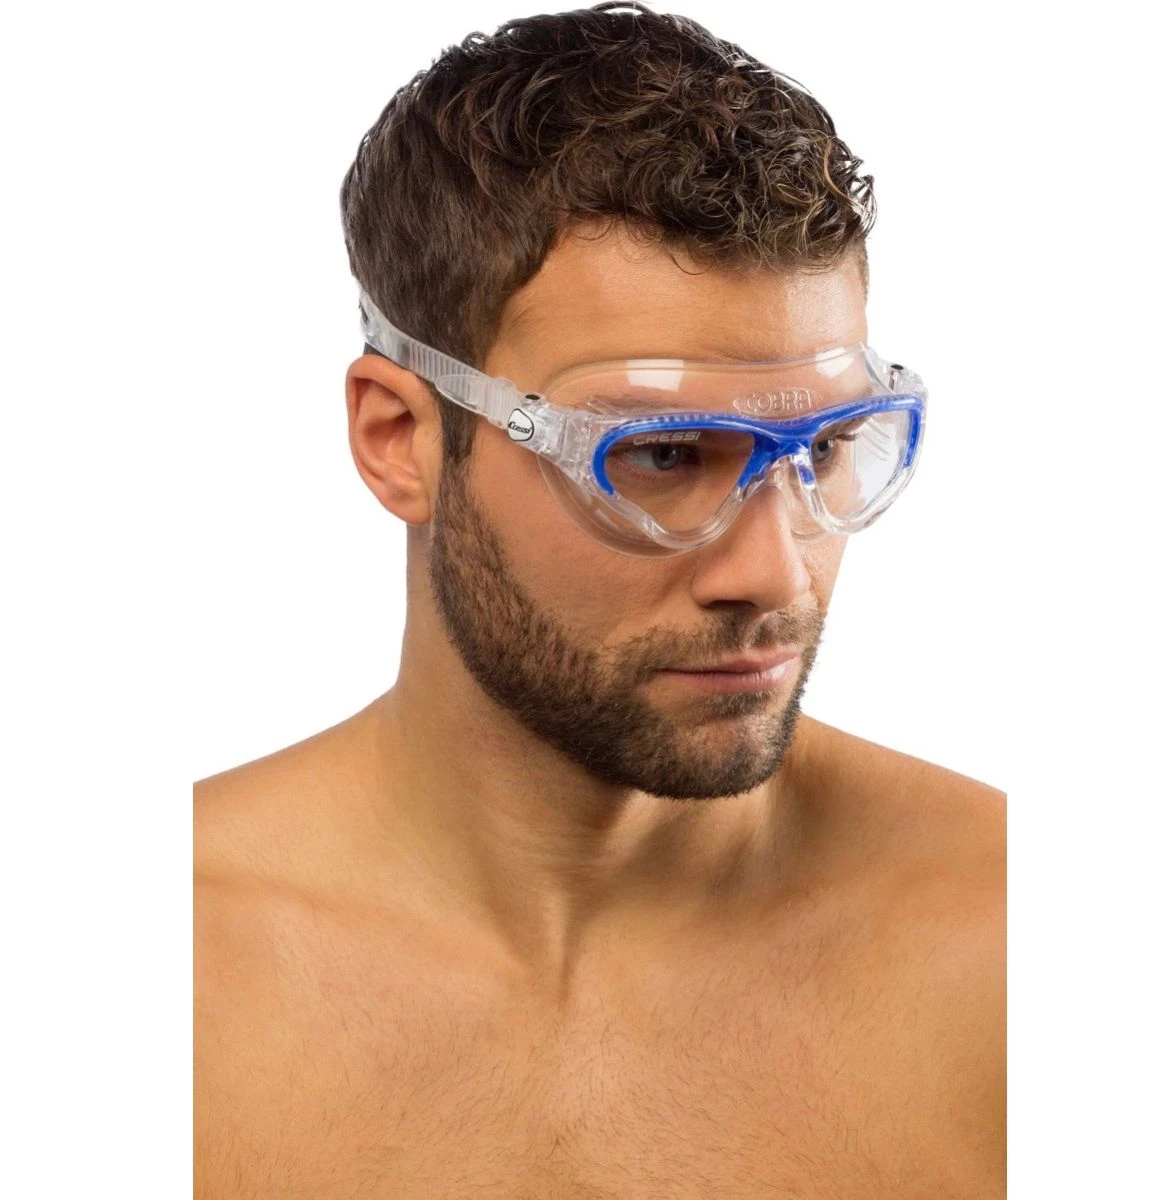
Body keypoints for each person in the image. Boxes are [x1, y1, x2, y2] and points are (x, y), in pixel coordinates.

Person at [194, 3, 1005, 1195]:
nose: (775, 575)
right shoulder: (159, 978)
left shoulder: (1019, 947)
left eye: (829, 448)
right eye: (661, 456)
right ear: (400, 440)